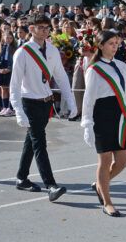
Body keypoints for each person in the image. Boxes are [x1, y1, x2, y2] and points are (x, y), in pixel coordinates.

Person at [10, 14, 78, 201]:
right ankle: (51, 185)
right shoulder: (23, 52)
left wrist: (70, 101)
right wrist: (18, 110)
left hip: (45, 102)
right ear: (31, 29)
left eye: (47, 27)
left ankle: (21, 177)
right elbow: (14, 84)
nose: (44, 30)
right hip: (29, 102)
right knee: (39, 142)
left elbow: (62, 77)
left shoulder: (53, 51)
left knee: (31, 141)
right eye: (40, 27)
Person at [81, 30, 126, 217]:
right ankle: (107, 202)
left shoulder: (121, 65)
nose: (115, 46)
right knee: (104, 161)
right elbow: (88, 99)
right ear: (101, 46)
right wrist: (87, 123)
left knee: (122, 162)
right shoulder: (94, 69)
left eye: (116, 43)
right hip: (102, 115)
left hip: (119, 115)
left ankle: (100, 183)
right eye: (111, 43)